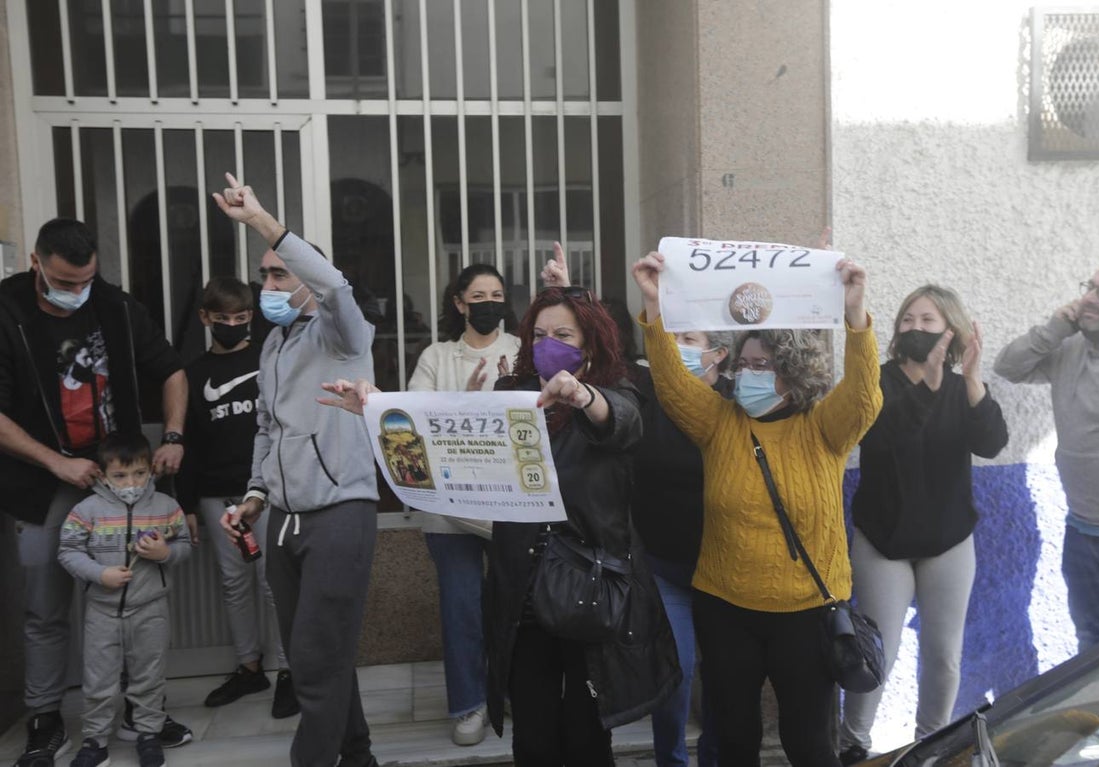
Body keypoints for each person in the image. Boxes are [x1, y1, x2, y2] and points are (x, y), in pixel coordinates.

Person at [319, 286, 681, 766]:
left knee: (586, 736)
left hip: (588, 589)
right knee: (532, 736)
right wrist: (378, 410)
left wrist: (581, 393)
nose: (549, 342)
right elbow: (449, 441)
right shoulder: (512, 393)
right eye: (540, 334)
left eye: (564, 334)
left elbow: (621, 421)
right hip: (521, 585)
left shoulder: (620, 389)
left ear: (589, 343)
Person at [633, 250, 880, 767]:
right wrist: (654, 308)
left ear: (791, 372)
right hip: (725, 608)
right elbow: (672, 385)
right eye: (742, 364)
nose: (747, 375)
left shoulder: (823, 428)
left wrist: (856, 316)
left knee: (809, 743)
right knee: (734, 739)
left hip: (807, 612)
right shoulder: (719, 423)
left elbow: (863, 398)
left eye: (761, 365)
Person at [0, 218, 193, 766]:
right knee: (44, 602)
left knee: (133, 595)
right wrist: (56, 462)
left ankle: (140, 710)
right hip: (41, 480)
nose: (78, 291)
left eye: (86, 279)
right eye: (66, 280)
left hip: (121, 477)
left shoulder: (115, 306)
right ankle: (44, 715)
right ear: (36, 263)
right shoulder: (6, 311)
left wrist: (173, 436)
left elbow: (172, 370)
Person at [212, 173, 381, 767]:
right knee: (323, 654)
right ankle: (358, 757)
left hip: (341, 514)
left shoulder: (345, 335)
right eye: (264, 274)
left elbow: (335, 287)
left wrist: (263, 222)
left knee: (311, 660)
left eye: (280, 272)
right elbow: (267, 427)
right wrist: (256, 494)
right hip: (282, 518)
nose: (269, 283)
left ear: (306, 277)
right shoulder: (275, 344)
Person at [838, 285, 1008, 766]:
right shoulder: (876, 379)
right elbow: (886, 439)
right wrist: (928, 388)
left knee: (943, 655)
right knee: (877, 653)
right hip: (884, 539)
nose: (915, 328)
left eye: (927, 321)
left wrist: (972, 381)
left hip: (948, 541)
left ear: (950, 331)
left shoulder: (962, 388)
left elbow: (992, 443)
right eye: (908, 320)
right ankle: (853, 743)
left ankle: (932, 744)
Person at [994, 258, 1099, 652]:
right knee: (1091, 648)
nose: (1089, 299)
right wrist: (1052, 330)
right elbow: (1009, 367)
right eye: (1091, 286)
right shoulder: (1070, 346)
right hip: (1082, 531)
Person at [405, 263, 520, 746]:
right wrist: (465, 401)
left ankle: (513, 689)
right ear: (460, 303)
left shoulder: (519, 349)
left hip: (510, 502)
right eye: (479, 295)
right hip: (449, 505)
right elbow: (414, 415)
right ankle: (469, 704)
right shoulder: (437, 356)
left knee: (516, 604)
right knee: (462, 606)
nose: (489, 302)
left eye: (496, 294)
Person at [176, 275, 298, 718]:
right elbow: (186, 442)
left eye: (242, 318)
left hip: (264, 491)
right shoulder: (191, 373)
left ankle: (290, 672)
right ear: (205, 318)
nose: (233, 325)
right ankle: (250, 668)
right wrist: (186, 504)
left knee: (274, 584)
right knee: (234, 584)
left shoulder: (269, 357)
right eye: (223, 318)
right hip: (213, 495)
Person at [57, 432, 191, 767]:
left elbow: (184, 546)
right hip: (102, 611)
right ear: (103, 475)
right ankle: (95, 741)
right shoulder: (86, 510)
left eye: (139, 474)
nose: (131, 482)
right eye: (120, 475)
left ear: (150, 471)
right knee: (99, 679)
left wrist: (164, 553)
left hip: (151, 608)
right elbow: (68, 551)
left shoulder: (165, 507)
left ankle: (147, 733)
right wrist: (98, 575)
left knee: (149, 675)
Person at [631, 327, 731, 767]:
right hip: (665, 567)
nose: (677, 348)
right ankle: (670, 760)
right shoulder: (647, 396)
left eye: (689, 338)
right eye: (672, 338)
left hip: (727, 573)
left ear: (719, 354)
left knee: (725, 684)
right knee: (675, 677)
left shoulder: (740, 400)